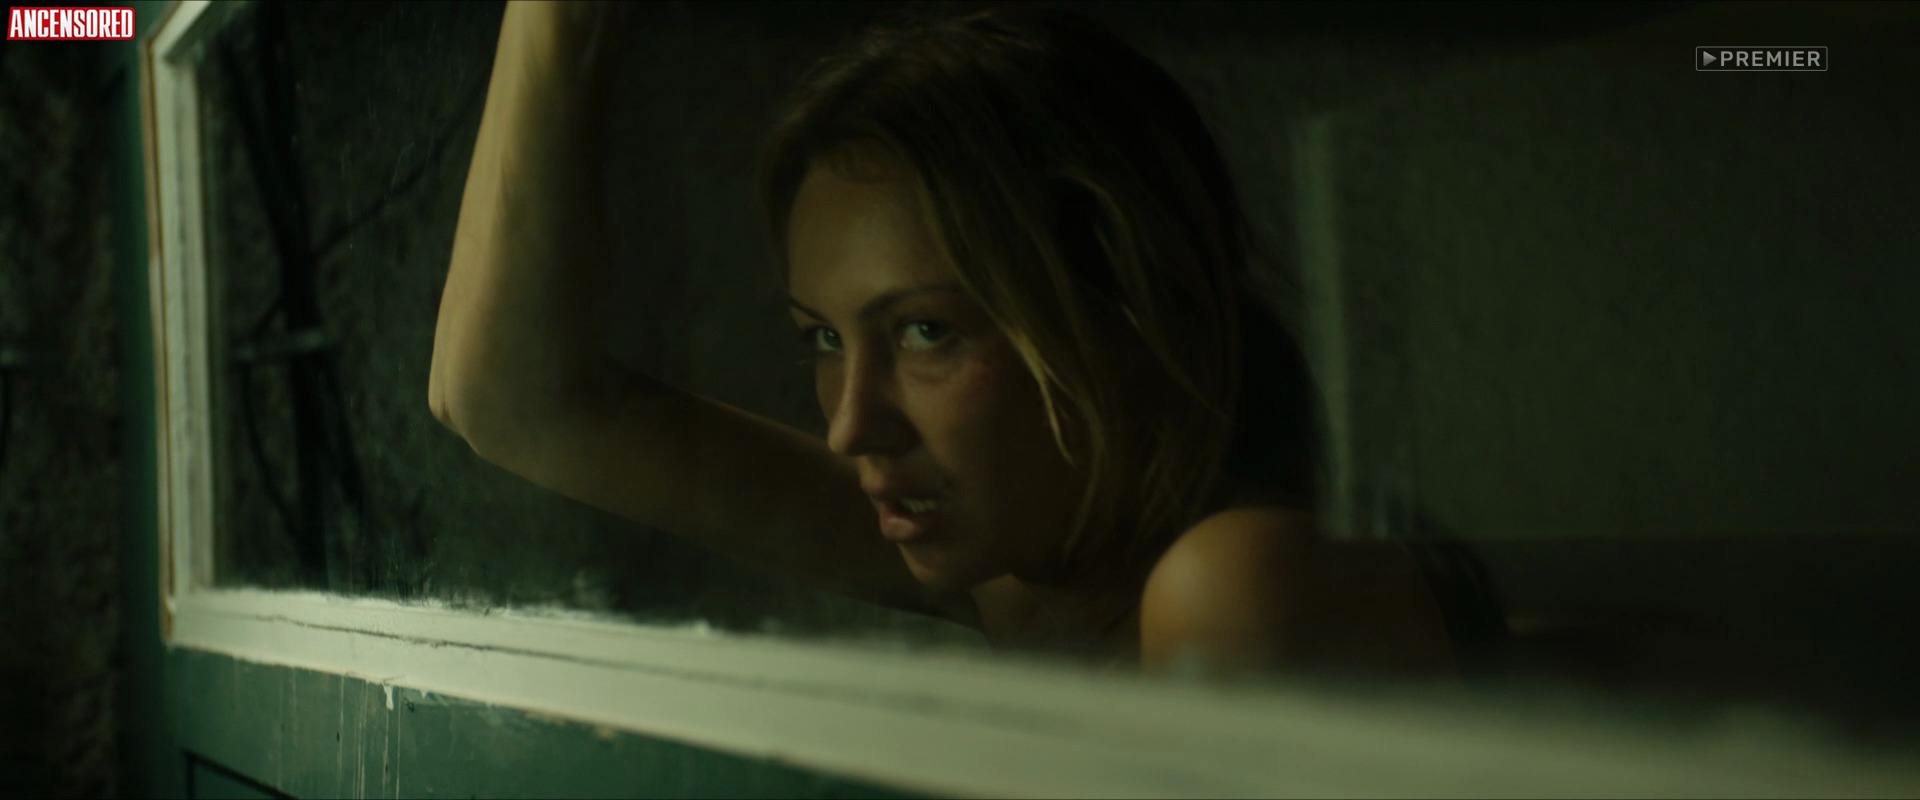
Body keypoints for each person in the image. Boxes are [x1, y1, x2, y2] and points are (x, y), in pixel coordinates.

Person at [429, 0, 1474, 677]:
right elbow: (512, 405)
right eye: (823, 338)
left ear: (1129, 317)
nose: (852, 426)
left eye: (926, 331)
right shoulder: (1023, 561)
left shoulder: (1235, 582)